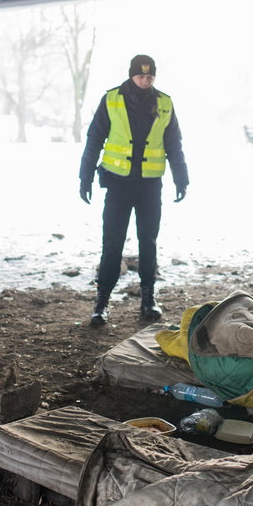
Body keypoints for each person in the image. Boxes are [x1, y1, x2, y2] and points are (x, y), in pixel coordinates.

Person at [79, 54, 189, 326]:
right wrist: (85, 177)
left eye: (150, 76)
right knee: (112, 244)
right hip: (118, 184)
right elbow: (94, 139)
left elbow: (174, 143)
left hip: (150, 185)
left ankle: (148, 299)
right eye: (140, 76)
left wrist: (181, 178)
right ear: (131, 75)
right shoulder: (112, 99)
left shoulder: (164, 102)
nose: (145, 80)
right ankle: (102, 302)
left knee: (148, 243)